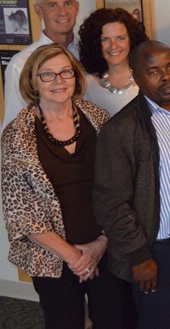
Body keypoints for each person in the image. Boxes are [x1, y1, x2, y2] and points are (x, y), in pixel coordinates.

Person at [1, 44, 134, 329]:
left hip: (106, 247)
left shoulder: (98, 119)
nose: (58, 81)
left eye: (65, 72)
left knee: (117, 321)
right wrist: (75, 257)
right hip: (53, 258)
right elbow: (21, 214)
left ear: (75, 77)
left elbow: (123, 186)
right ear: (33, 82)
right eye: (47, 75)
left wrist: (99, 246)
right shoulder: (16, 136)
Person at [93, 41, 170, 328]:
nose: (167, 76)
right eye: (153, 71)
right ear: (137, 78)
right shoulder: (121, 129)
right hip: (157, 255)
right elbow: (110, 202)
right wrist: (138, 257)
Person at [3, 0, 80, 130]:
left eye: (68, 3)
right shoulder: (21, 64)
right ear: (39, 11)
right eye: (53, 6)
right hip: (45, 151)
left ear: (77, 7)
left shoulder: (91, 53)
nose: (63, 12)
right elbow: (13, 128)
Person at [79, 8, 148, 115]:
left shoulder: (148, 80)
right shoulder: (86, 86)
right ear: (95, 43)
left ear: (132, 39)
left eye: (121, 38)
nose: (113, 46)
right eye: (105, 39)